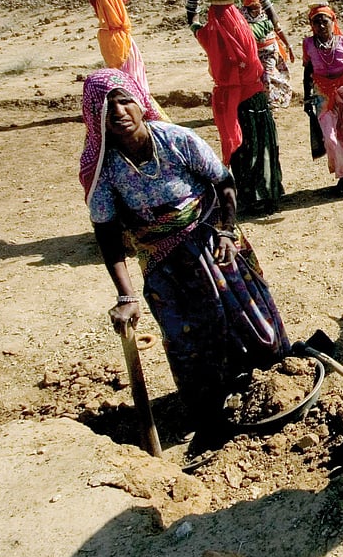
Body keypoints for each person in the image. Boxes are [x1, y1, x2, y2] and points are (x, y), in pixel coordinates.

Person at [80, 68, 290, 430]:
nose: (119, 113)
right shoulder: (106, 170)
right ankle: (216, 414)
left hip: (215, 246)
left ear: (140, 102)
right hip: (165, 268)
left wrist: (227, 232)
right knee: (192, 341)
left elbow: (223, 182)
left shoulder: (176, 140)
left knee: (250, 325)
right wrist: (126, 296)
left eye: (125, 101)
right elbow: (107, 234)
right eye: (106, 108)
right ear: (95, 119)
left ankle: (275, 387)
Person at [186, 0, 285, 215]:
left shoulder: (209, 35)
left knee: (242, 150)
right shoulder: (250, 31)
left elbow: (192, 22)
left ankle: (248, 197)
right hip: (255, 98)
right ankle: (267, 195)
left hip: (231, 103)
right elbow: (273, 21)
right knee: (262, 146)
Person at [85, 0, 166, 119]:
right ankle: (139, 101)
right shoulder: (119, 0)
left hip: (109, 42)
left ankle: (124, 101)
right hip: (124, 41)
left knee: (118, 72)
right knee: (133, 71)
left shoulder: (98, 3)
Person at [303, 3, 343, 197]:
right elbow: (307, 72)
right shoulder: (308, 44)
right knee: (331, 137)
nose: (321, 26)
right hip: (323, 95)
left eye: (325, 21)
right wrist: (307, 99)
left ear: (333, 21)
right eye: (316, 22)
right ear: (311, 25)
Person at [240, 0, 294, 108]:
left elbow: (278, 29)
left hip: (270, 51)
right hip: (252, 53)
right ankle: (258, 102)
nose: (256, 9)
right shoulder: (241, 14)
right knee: (254, 78)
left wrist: (289, 46)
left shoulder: (267, 12)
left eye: (257, 6)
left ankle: (271, 103)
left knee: (267, 75)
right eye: (252, 7)